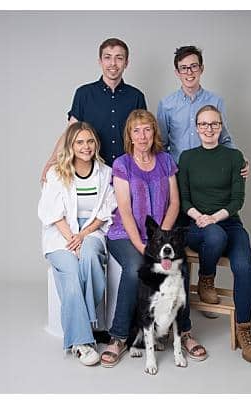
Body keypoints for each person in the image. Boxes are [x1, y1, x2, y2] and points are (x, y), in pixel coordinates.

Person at [99, 109, 207, 367]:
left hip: (160, 236)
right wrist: (141, 244)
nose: (142, 135)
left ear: (154, 133)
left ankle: (186, 332)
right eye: (136, 130)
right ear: (130, 135)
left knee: (179, 269)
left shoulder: (166, 161)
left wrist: (161, 239)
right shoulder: (122, 164)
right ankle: (119, 337)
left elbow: (174, 203)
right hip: (125, 234)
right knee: (136, 266)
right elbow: (124, 209)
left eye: (147, 129)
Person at [178, 105, 251, 362]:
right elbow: (183, 199)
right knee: (214, 236)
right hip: (197, 226)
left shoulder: (235, 157)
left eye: (214, 124)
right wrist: (199, 217)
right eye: (204, 124)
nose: (209, 129)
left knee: (245, 267)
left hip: (228, 222)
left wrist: (215, 217)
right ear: (197, 128)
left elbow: (237, 200)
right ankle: (206, 278)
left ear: (221, 126)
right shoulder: (188, 157)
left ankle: (244, 330)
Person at [37, 122, 117, 366]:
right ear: (71, 145)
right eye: (80, 142)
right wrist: (72, 236)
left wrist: (84, 235)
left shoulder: (105, 172)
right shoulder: (56, 172)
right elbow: (50, 212)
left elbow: (106, 210)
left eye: (90, 141)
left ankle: (80, 322)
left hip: (92, 230)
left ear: (96, 144)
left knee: (92, 256)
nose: (86, 147)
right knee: (70, 271)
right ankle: (82, 341)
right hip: (60, 232)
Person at [43, 38, 147, 183]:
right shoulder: (84, 94)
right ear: (100, 62)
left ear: (126, 63)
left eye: (119, 58)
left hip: (128, 174)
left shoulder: (136, 96)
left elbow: (143, 137)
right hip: (92, 173)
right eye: (107, 57)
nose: (113, 63)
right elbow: (70, 132)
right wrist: (51, 163)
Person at [156, 45, 250, 178]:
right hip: (178, 173)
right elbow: (162, 145)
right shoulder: (166, 105)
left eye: (194, 66)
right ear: (177, 72)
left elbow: (224, 138)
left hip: (210, 171)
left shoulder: (216, 102)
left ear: (201, 69)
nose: (189, 72)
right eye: (184, 68)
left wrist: (239, 159)